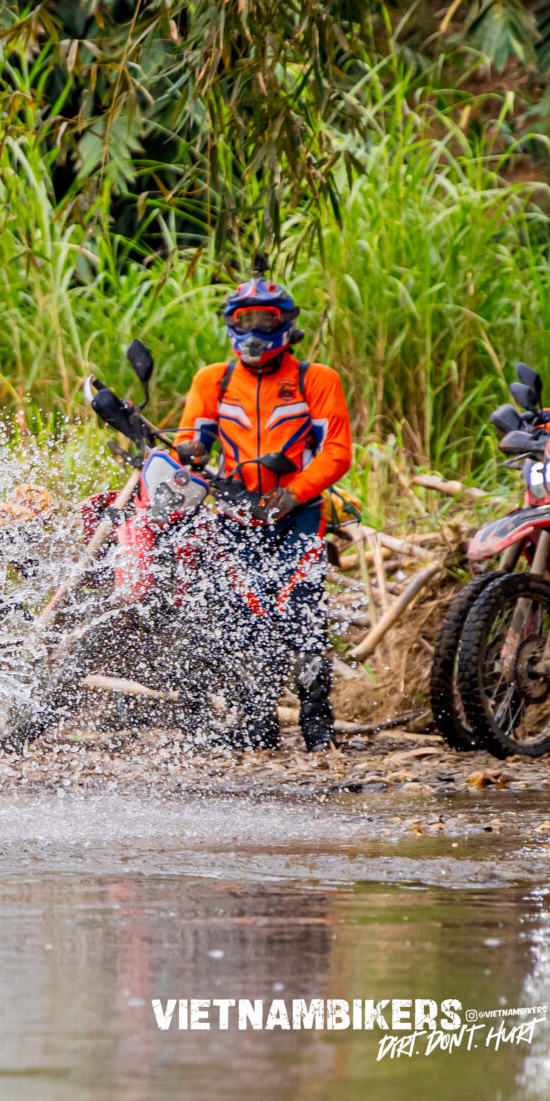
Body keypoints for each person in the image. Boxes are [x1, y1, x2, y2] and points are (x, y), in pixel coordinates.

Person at [172, 276, 353, 751]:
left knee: (302, 615)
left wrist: (295, 492)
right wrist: (189, 452)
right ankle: (258, 723)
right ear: (230, 325)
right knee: (242, 619)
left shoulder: (317, 379)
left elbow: (337, 451)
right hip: (235, 513)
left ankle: (318, 725)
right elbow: (190, 440)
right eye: (242, 320)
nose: (252, 331)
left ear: (286, 325)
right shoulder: (212, 379)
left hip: (300, 514)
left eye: (264, 320)